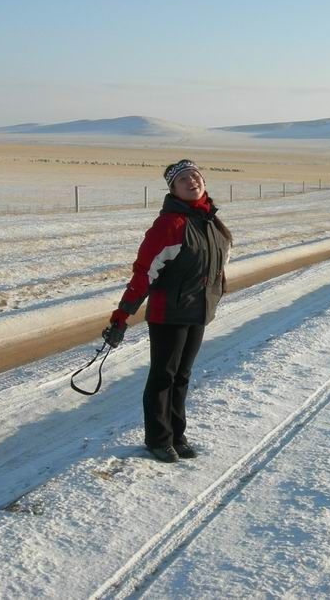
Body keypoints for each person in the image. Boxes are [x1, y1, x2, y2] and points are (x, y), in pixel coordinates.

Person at [105, 159, 233, 463]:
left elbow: (218, 263)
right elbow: (143, 274)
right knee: (164, 376)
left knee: (183, 376)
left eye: (196, 176)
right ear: (173, 189)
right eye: (184, 179)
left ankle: (178, 434)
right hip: (169, 313)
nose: (192, 181)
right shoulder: (169, 225)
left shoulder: (210, 222)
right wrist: (121, 316)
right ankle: (158, 439)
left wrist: (212, 292)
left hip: (197, 311)